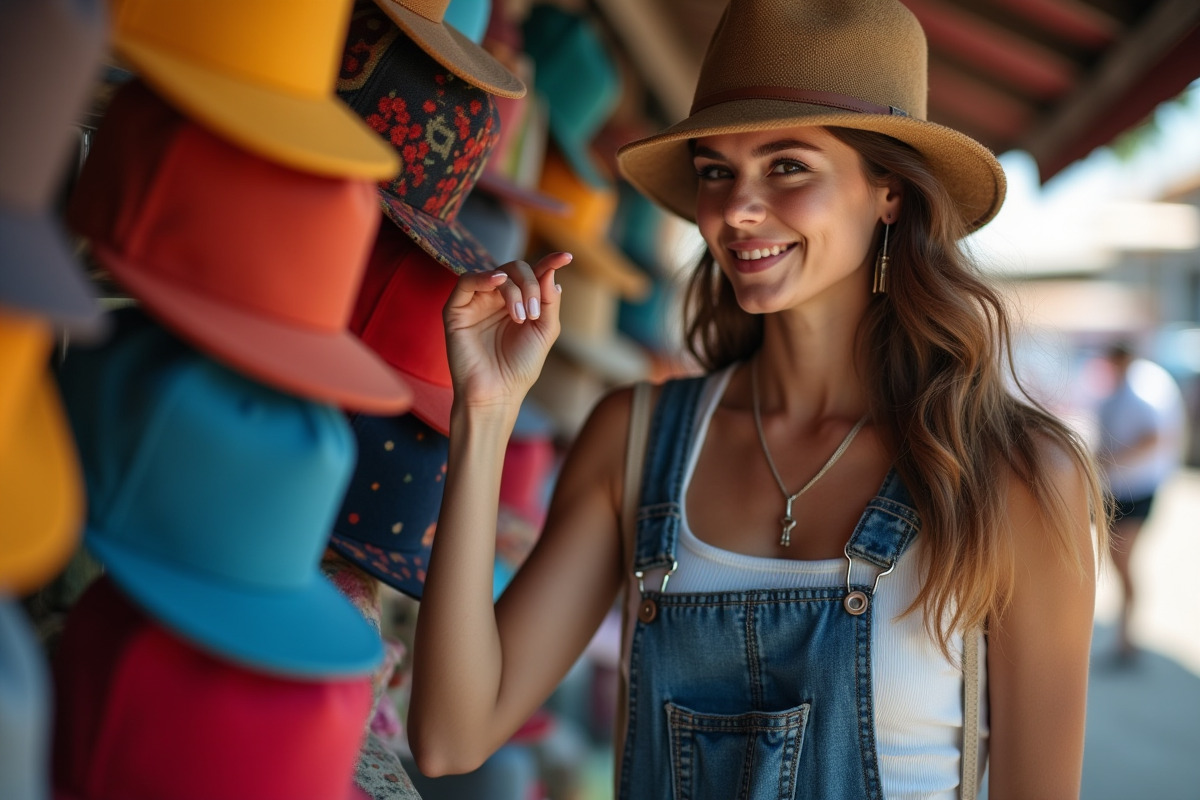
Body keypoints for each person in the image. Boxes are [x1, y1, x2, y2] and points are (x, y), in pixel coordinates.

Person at [407, 1, 1107, 798]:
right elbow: (449, 737)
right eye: (716, 171)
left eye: (787, 166)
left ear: (891, 193)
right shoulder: (635, 440)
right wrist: (486, 416)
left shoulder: (1013, 474)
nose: (737, 209)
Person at [1095, 341, 1185, 662]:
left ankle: (1127, 637)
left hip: (1137, 489)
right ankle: (1126, 635)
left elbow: (1156, 437)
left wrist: (1112, 460)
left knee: (1123, 562)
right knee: (1118, 562)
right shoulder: (1119, 390)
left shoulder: (1145, 388)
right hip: (1115, 489)